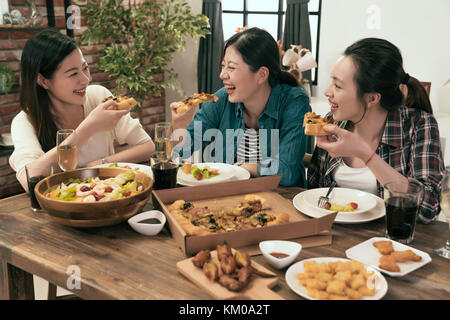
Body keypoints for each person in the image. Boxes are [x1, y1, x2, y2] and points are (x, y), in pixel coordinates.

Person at [307, 37, 444, 223]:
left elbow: (429, 209)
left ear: (372, 99)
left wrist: (365, 154)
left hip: (393, 240)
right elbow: (312, 194)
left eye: (337, 86)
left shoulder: (419, 125)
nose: (327, 92)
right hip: (334, 238)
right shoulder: (333, 123)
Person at [9, 29, 155, 191]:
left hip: (108, 200)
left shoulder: (99, 97)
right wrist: (88, 128)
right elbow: (29, 179)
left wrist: (98, 165)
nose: (86, 80)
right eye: (73, 74)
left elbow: (147, 147)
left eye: (85, 68)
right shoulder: (24, 121)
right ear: (43, 81)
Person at [171, 27, 311, 187]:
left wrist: (246, 167)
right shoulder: (221, 98)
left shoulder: (295, 102)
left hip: (282, 198)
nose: (222, 75)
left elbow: (288, 173)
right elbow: (178, 156)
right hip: (227, 198)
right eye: (223, 66)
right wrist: (179, 126)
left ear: (261, 75)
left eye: (231, 67)